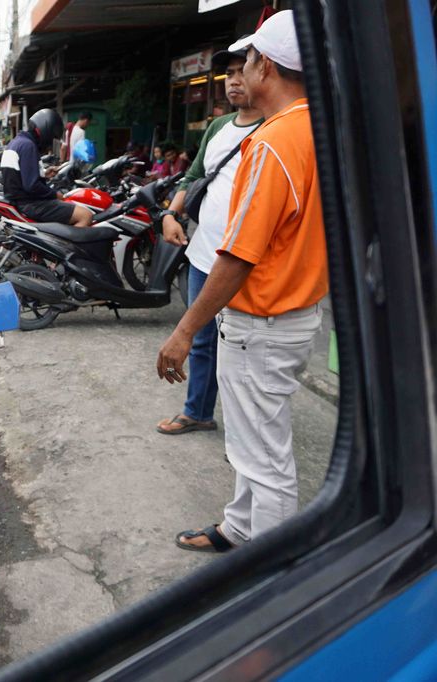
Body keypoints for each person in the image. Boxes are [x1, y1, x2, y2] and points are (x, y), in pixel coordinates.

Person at [157, 10, 327, 553]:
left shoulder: (275, 141)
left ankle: (270, 571)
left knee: (264, 458)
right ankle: (240, 528)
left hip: (263, 322)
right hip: (292, 314)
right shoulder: (318, 129)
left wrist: (185, 329)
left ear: (266, 67)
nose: (241, 71)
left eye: (248, 59)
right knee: (255, 443)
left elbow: (238, 256)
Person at [156, 47, 264, 436]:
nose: (234, 80)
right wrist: (170, 214)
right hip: (204, 255)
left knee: (246, 349)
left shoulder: (273, 127)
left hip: (246, 262)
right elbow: (194, 176)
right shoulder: (219, 127)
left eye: (241, 70)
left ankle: (250, 434)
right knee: (202, 341)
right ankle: (198, 411)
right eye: (228, 73)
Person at [2, 108, 92, 227]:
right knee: (85, 215)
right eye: (52, 136)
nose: (50, 141)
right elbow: (32, 186)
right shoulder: (28, 146)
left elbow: (21, 176)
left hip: (20, 201)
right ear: (45, 129)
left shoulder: (16, 143)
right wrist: (55, 194)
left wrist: (43, 174)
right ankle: (64, 240)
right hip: (31, 204)